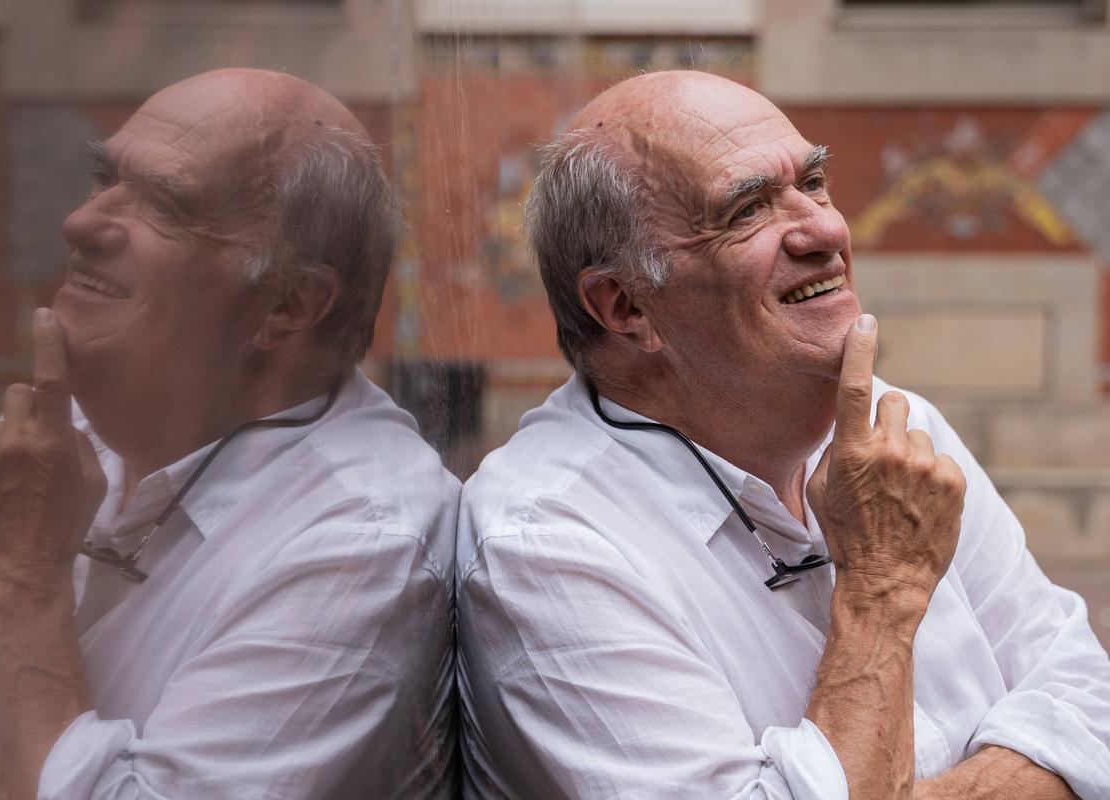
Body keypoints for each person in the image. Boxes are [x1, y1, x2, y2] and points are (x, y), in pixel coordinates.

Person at [457, 71, 1110, 799]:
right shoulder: (547, 543)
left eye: (816, 181)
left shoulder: (900, 422)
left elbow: (1089, 698)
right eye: (747, 210)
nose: (829, 230)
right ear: (624, 306)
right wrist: (881, 592)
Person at [0, 69, 458, 799]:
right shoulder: (68, 430)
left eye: (164, 205)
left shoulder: (363, 540)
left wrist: (24, 587)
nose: (80, 223)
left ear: (286, 305)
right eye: (104, 178)